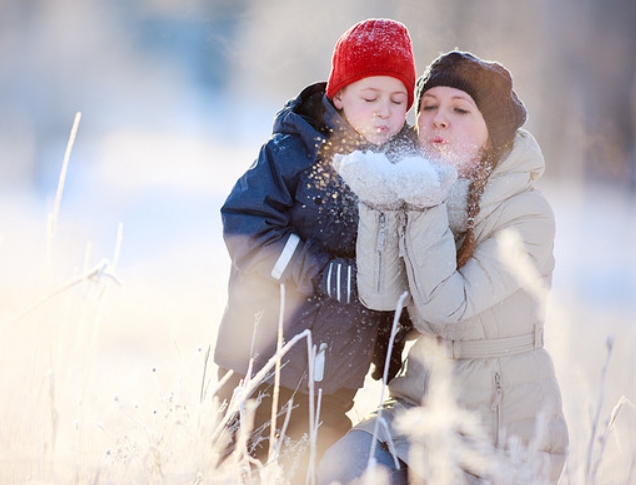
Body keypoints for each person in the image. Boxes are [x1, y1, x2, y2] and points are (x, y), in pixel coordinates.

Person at [317, 51, 569, 485]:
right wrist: (380, 203)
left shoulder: (528, 215)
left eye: (459, 109)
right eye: (428, 106)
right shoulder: (423, 183)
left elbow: (443, 310)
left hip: (500, 419)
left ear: (493, 133)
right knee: (342, 470)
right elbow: (383, 297)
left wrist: (422, 200)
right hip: (422, 400)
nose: (437, 119)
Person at [213, 19, 419, 483]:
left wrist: (390, 337)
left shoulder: (406, 172)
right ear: (339, 94)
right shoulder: (295, 151)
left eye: (398, 100)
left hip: (336, 378)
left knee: (312, 472)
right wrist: (320, 271)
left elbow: (398, 263)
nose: (385, 112)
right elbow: (244, 225)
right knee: (240, 467)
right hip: (263, 361)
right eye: (370, 98)